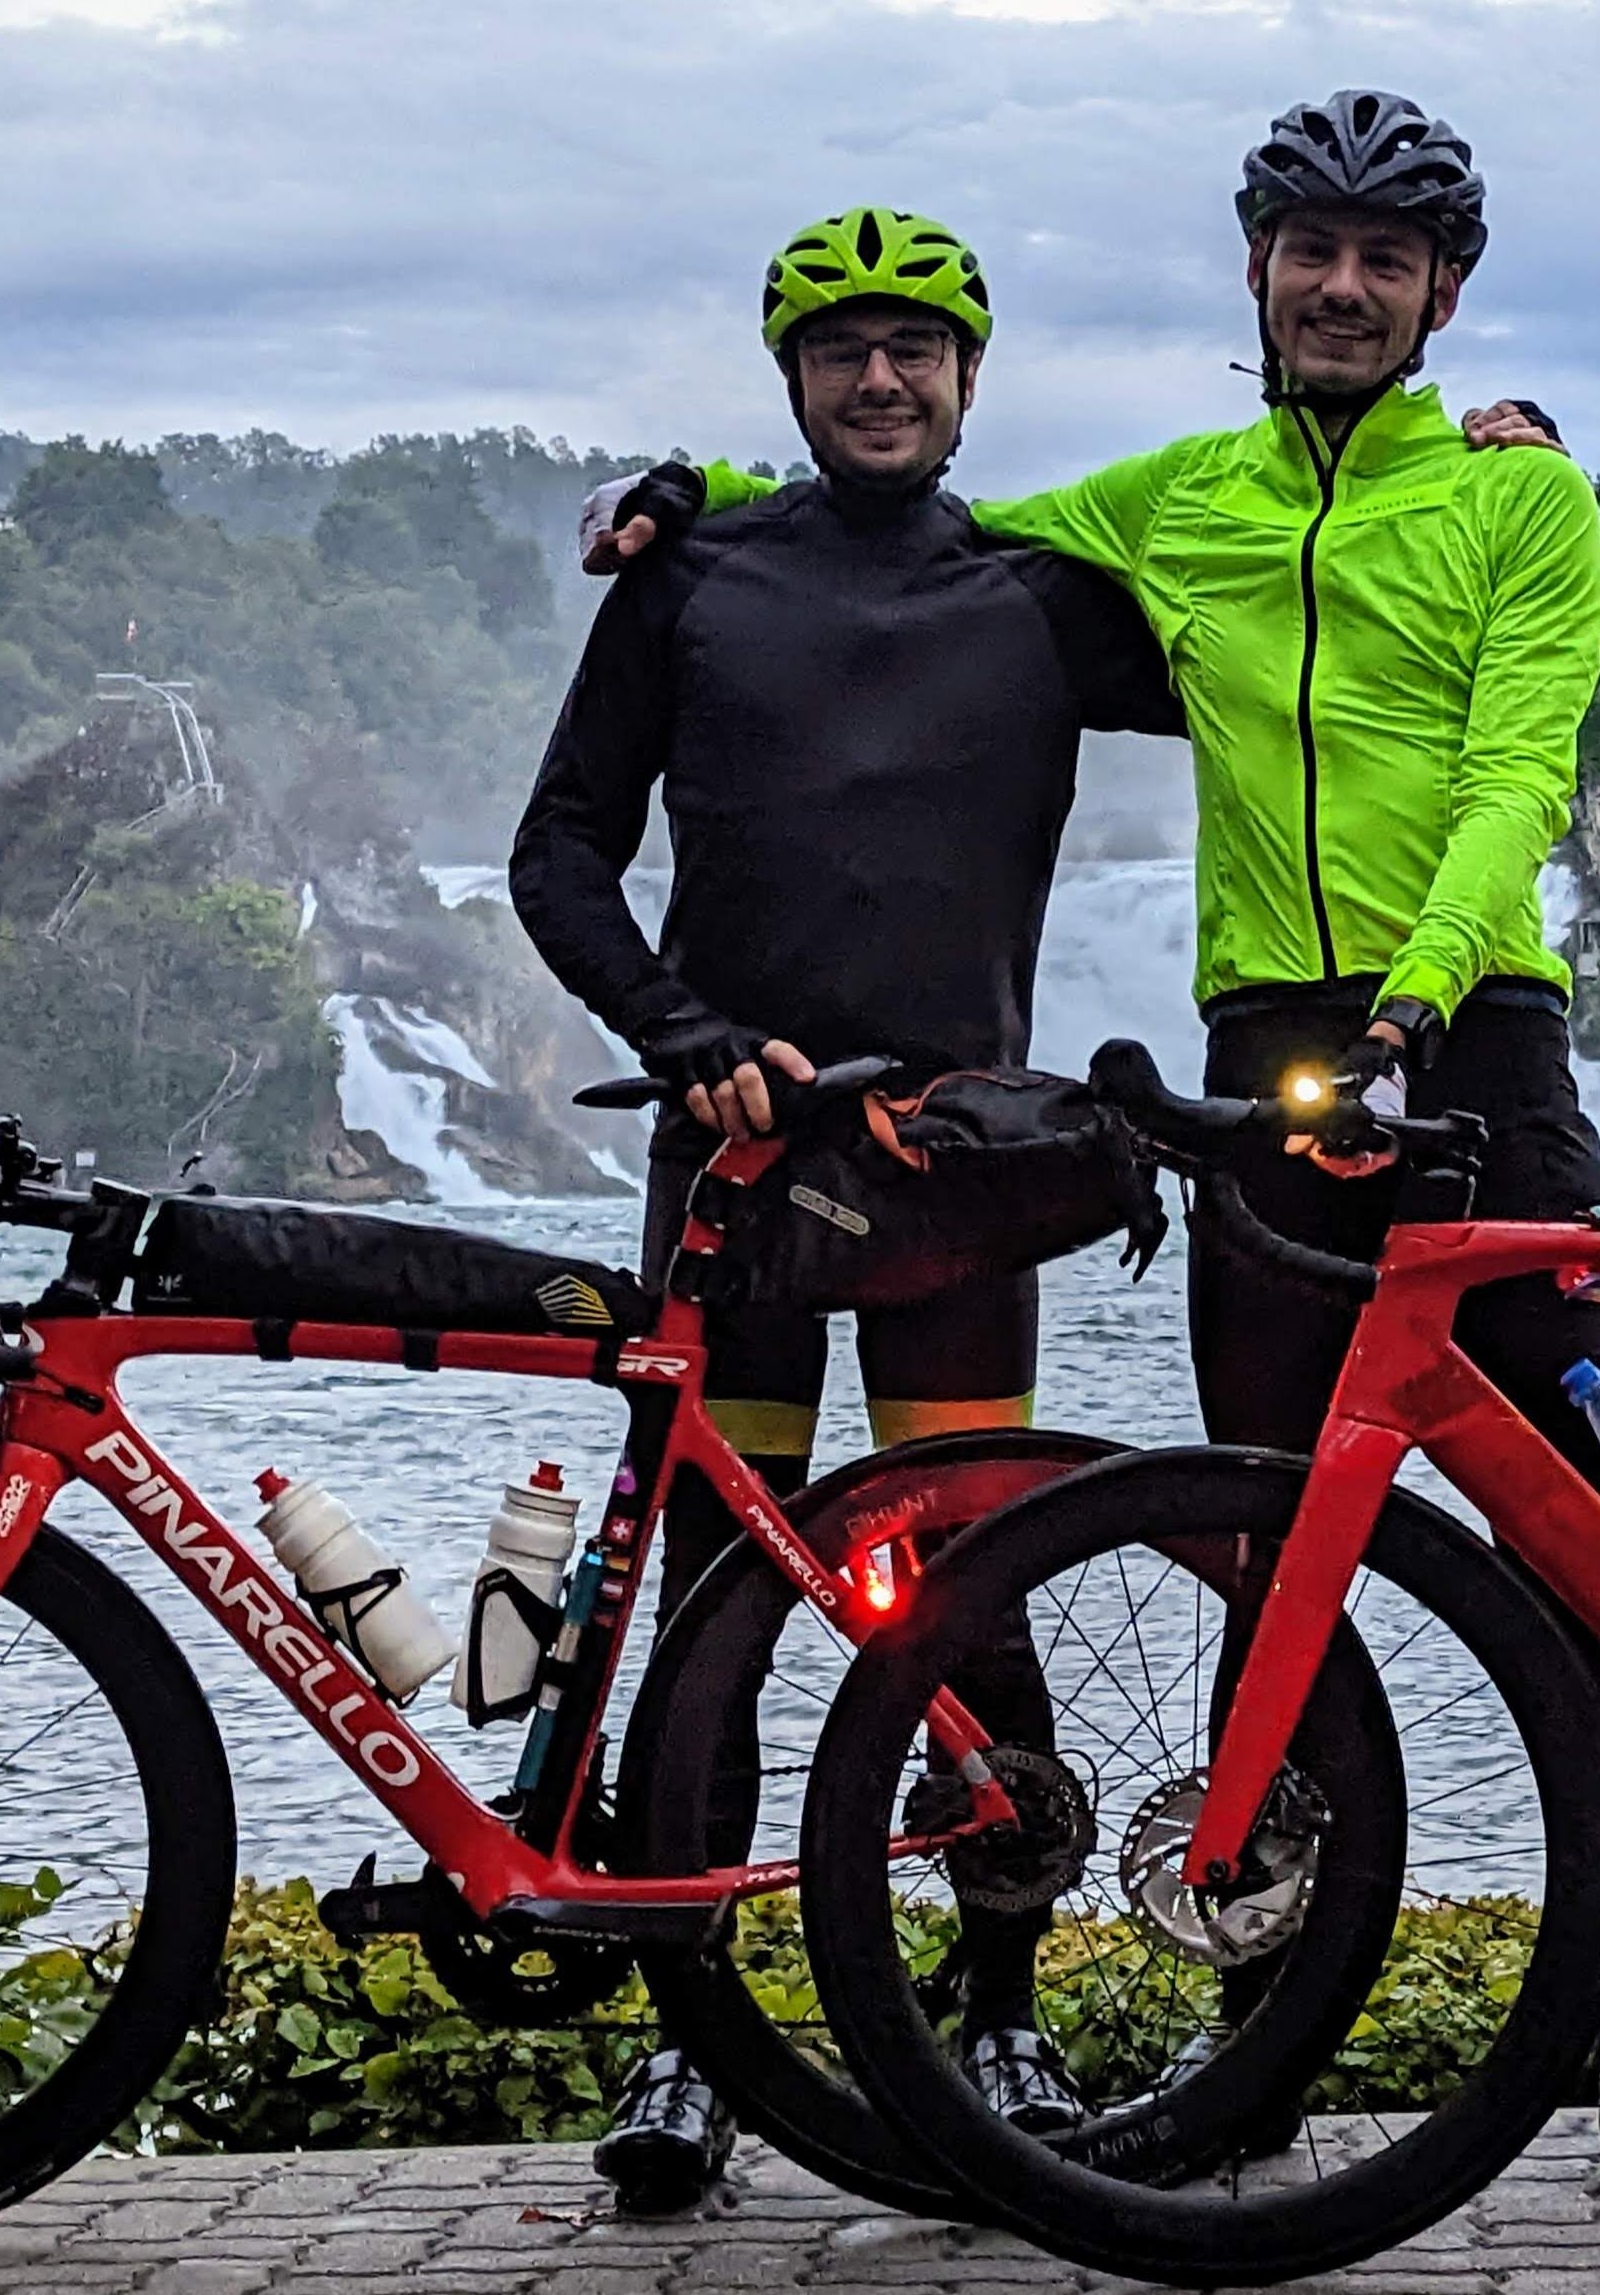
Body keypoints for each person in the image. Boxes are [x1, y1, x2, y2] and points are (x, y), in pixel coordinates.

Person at [585, 92, 1600, 2206]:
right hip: (1264, 1077)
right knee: (1251, 1552)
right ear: (1256, 271)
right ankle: (1260, 2027)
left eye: (1387, 261)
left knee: (1587, 1559)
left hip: (1474, 1047)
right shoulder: (1180, 501)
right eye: (1312, 248)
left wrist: (1416, 999)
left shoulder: (1523, 505)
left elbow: (1515, 776)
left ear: (1443, 297)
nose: (1343, 285)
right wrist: (703, 490)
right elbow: (922, 535)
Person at [509, 207, 1184, 2214]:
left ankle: (999, 2009)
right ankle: (683, 2040)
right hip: (731, 1157)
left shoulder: (1049, 597)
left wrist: (1469, 449)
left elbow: (1315, 625)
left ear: (971, 378)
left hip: (950, 1165)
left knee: (976, 1580)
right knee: (712, 1605)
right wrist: (679, 1023)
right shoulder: (691, 577)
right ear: (788, 379)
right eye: (839, 351)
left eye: (917, 349)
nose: (880, 379)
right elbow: (557, 851)